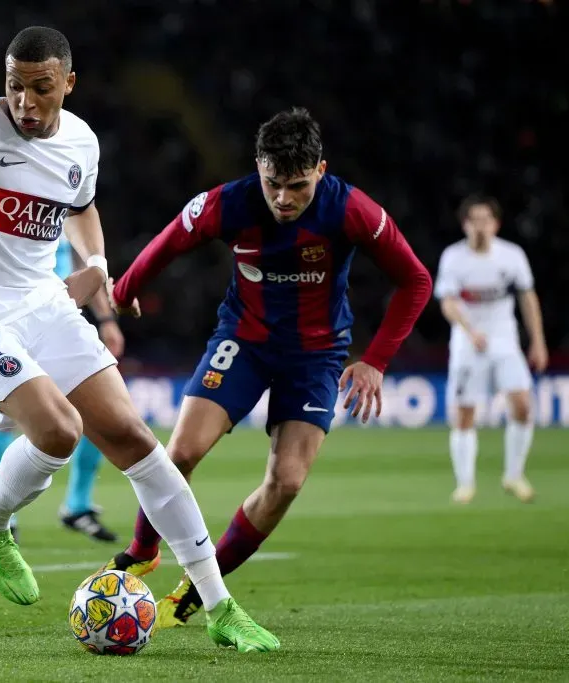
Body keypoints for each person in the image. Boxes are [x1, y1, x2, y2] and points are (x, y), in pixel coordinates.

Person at [0, 26, 279, 652]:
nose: (25, 102)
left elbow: (82, 207)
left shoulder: (81, 142)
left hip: (44, 305)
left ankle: (220, 607)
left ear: (68, 82)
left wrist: (96, 263)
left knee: (136, 440)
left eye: (41, 88)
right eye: (14, 87)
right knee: (60, 431)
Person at [103, 108, 433, 628]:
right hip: (243, 341)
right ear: (258, 166)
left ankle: (197, 589)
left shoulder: (351, 209)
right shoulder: (229, 203)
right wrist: (124, 292)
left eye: (297, 186)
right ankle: (143, 550)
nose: (283, 198)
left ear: (320, 170)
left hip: (316, 355)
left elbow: (416, 280)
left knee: (287, 481)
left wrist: (375, 360)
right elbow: (170, 240)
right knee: (181, 452)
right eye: (273, 183)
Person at [0, 234, 123, 543]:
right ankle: (0, 514)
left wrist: (106, 320)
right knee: (8, 418)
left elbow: (85, 268)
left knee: (98, 411)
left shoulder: (68, 214)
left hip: (61, 325)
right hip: (12, 324)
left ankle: (78, 505)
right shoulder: (11, 213)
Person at [434, 195, 548, 504]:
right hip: (467, 342)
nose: (480, 226)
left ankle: (514, 475)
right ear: (465, 224)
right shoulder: (453, 257)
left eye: (486, 219)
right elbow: (448, 303)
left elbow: (527, 298)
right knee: (464, 414)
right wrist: (470, 331)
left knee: (522, 405)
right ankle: (465, 484)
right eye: (474, 220)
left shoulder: (512, 255)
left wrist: (538, 340)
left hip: (504, 340)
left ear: (496, 224)